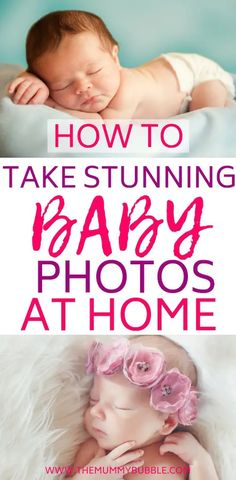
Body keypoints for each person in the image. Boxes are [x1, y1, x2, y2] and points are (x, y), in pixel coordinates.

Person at [8, 10, 235, 120]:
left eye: (94, 71)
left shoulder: (126, 90)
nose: (83, 87)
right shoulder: (92, 88)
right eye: (62, 85)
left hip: (195, 76)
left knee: (207, 113)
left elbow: (102, 128)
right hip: (166, 72)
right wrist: (31, 79)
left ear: (115, 58)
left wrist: (50, 102)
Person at [69, 336, 219, 480]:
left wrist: (200, 462)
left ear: (168, 423)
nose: (95, 411)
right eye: (93, 401)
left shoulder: (177, 454)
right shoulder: (95, 452)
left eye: (122, 407)